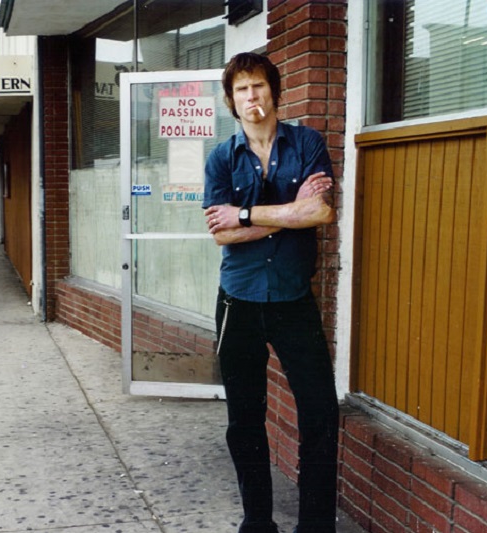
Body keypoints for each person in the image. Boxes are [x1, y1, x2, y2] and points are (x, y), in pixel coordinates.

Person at [202, 52, 339, 533]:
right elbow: (220, 234)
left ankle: (316, 525)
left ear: (274, 93)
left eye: (258, 86)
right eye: (241, 89)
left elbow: (320, 213)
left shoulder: (308, 143)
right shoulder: (221, 157)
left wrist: (245, 215)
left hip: (293, 301)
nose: (251, 96)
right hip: (237, 301)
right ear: (231, 101)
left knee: (321, 413)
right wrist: (287, 214)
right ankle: (257, 522)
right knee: (244, 420)